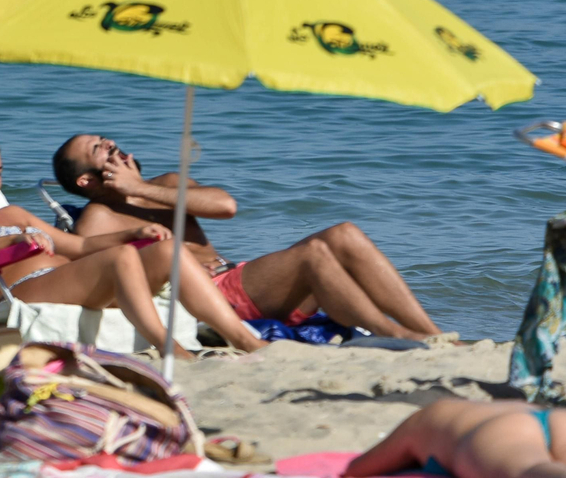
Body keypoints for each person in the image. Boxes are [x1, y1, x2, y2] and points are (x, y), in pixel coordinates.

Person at [51, 134, 444, 341]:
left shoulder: (166, 185)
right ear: (84, 180)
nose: (107, 143)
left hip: (237, 279)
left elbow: (225, 206)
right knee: (314, 255)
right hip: (210, 299)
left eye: (105, 138)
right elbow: (93, 277)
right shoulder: (97, 218)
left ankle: (430, 333)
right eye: (95, 148)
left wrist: (141, 189)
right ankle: (392, 333)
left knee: (345, 234)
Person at [0, 134, 267, 360]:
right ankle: (170, 349)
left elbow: (79, 245)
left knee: (167, 249)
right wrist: (13, 240)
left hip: (67, 277)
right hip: (20, 291)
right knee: (122, 258)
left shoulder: (14, 212)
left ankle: (244, 340)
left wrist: (134, 231)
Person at [344, 399, 566, 478]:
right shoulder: (502, 405)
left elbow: (358, 469)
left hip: (496, 432)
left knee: (529, 471)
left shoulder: (425, 417)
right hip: (553, 417)